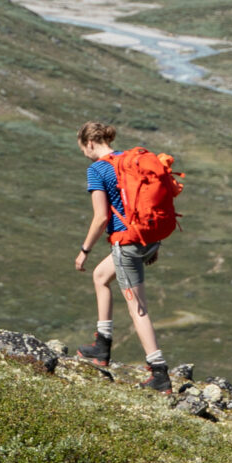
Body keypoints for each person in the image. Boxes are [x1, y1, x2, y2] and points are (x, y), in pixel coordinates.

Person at [73, 120, 168, 390]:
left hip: (128, 244)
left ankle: (159, 372)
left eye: (82, 148)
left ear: (90, 143)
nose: (84, 153)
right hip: (148, 238)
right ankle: (102, 345)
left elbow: (101, 217)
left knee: (138, 308)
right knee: (101, 276)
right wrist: (154, 243)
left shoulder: (98, 169)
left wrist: (84, 250)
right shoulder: (129, 161)